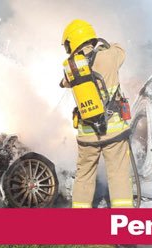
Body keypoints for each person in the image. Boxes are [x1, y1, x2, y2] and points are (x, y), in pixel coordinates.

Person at [60, 19, 133, 208]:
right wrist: (103, 44)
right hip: (113, 132)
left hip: (87, 134)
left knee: (84, 176)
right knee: (118, 175)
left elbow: (64, 83)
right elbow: (121, 49)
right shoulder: (110, 56)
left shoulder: (72, 68)